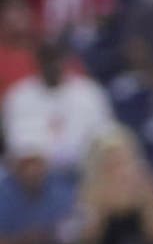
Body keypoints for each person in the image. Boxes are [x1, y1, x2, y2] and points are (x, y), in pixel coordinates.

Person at [2, 42, 113, 170]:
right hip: (37, 175)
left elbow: (105, 135)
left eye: (55, 60)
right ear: (37, 63)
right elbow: (17, 145)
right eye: (46, 61)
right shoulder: (19, 96)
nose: (51, 67)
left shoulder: (89, 92)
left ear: (64, 61)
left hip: (84, 169)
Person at [77, 126, 153, 244]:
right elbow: (88, 241)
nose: (116, 167)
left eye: (121, 160)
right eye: (110, 161)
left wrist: (149, 202)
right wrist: (100, 210)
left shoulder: (146, 183)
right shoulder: (91, 190)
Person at [0, 128, 75, 244]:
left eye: (36, 163)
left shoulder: (61, 188)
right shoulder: (3, 192)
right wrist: (24, 241)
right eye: (25, 164)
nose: (31, 170)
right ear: (14, 166)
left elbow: (75, 231)